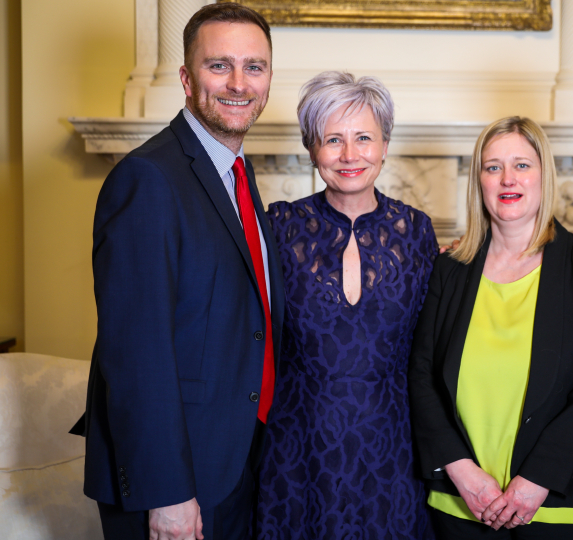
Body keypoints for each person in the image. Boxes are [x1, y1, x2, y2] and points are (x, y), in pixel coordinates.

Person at [75, 4, 283, 539]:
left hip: (233, 460)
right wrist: (167, 494)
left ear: (269, 79)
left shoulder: (236, 173)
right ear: (187, 79)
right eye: (220, 66)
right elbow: (135, 351)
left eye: (253, 67)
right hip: (172, 483)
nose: (239, 83)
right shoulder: (148, 179)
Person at [409, 116, 573, 540]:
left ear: (544, 174)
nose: (508, 179)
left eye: (522, 165)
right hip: (459, 503)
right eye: (493, 167)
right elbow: (421, 375)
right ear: (479, 180)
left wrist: (537, 479)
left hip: (557, 504)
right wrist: (459, 469)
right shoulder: (449, 268)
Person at [255, 71, 437, 539]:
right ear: (312, 148)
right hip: (297, 449)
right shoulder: (279, 226)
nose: (350, 154)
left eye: (363, 138)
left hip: (394, 447)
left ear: (385, 145)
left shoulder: (417, 231)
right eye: (332, 139)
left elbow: (435, 346)